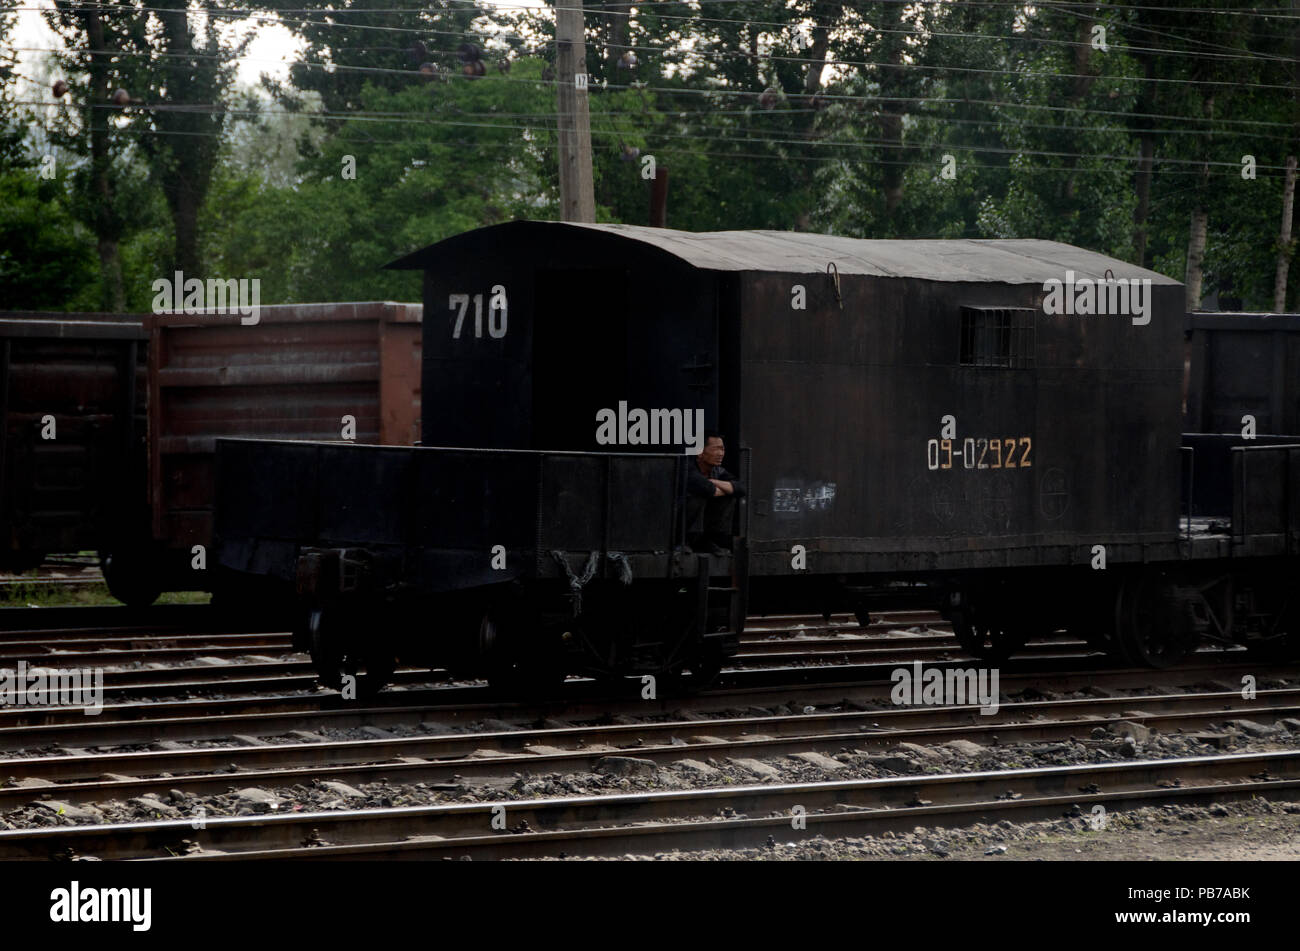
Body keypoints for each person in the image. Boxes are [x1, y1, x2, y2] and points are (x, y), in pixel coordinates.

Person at [685, 431, 745, 555]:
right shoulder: (688, 467)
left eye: (722, 449)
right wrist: (723, 488)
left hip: (704, 528)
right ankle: (686, 542)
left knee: (729, 497)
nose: (721, 454)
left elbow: (741, 488)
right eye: (716, 449)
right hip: (680, 529)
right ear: (700, 452)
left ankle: (706, 541)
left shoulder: (717, 471)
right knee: (699, 497)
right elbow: (708, 489)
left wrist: (713, 481)